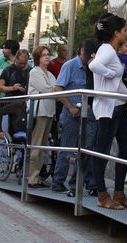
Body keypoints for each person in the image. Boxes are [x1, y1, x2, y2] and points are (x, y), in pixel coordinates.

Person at [88, 13, 127, 210]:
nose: (126, 34)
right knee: (102, 151)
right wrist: (110, 75)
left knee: (125, 148)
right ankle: (102, 195)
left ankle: (118, 193)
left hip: (118, 107)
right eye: (124, 30)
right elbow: (93, 65)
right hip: (109, 109)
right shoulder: (107, 50)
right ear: (116, 33)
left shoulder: (110, 50)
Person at [52, 42, 97, 196]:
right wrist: (70, 107)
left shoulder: (93, 68)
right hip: (72, 114)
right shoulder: (70, 66)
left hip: (89, 115)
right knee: (67, 149)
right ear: (82, 51)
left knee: (87, 150)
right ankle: (58, 181)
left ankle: (82, 183)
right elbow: (58, 88)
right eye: (90, 53)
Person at [27, 46, 56, 188]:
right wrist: (55, 88)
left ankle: (37, 176)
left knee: (42, 146)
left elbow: (55, 89)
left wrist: (54, 88)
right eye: (44, 55)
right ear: (38, 57)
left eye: (48, 54)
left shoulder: (50, 74)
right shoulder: (34, 72)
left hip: (49, 111)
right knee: (36, 145)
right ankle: (32, 178)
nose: (47, 57)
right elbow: (46, 89)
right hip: (39, 112)